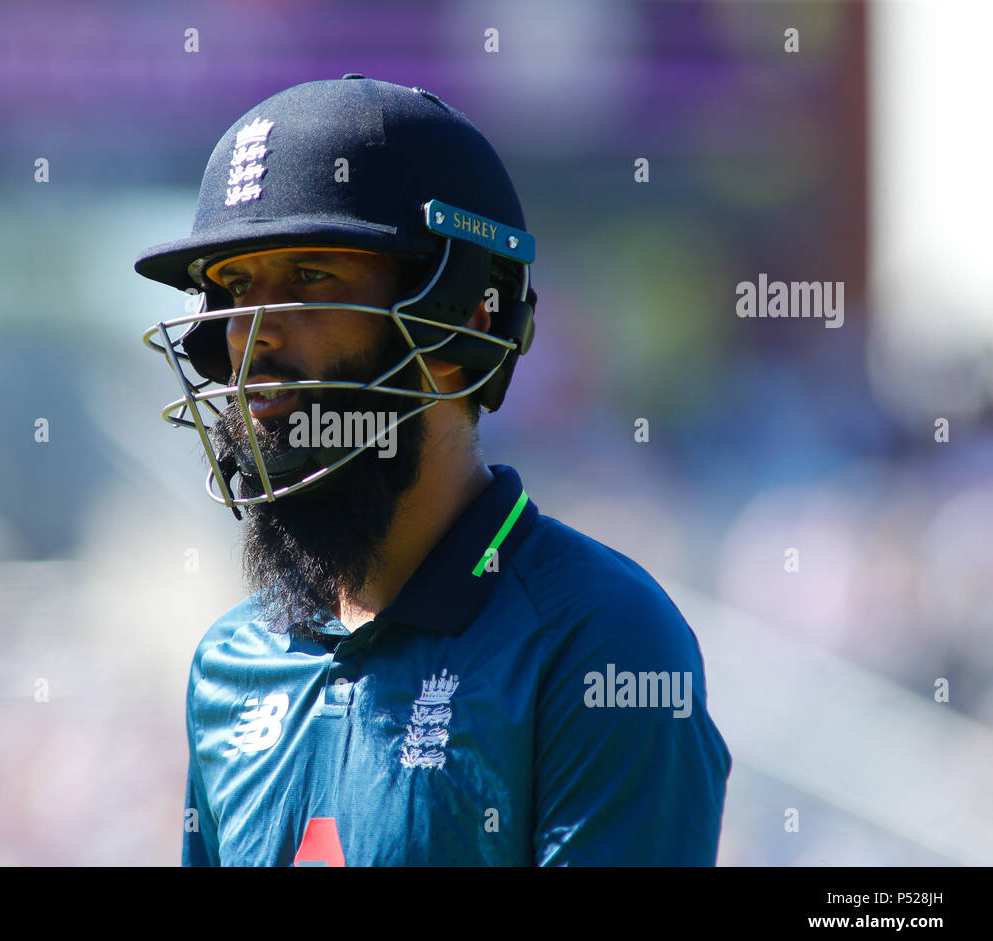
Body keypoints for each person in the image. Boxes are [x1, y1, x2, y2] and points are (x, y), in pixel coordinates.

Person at [135, 75, 731, 866]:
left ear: (467, 320)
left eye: (312, 277)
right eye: (237, 288)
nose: (252, 339)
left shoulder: (602, 642)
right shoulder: (230, 665)